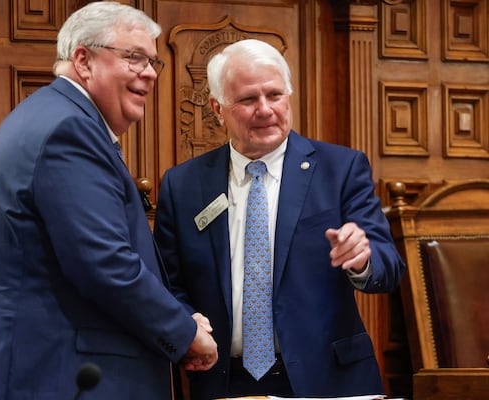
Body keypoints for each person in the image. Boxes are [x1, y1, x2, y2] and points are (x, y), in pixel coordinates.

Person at [0, 2, 217, 399]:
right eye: (135, 57)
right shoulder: (68, 131)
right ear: (83, 60)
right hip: (54, 374)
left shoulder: (48, 116)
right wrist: (185, 332)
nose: (150, 73)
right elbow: (104, 263)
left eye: (154, 62)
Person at [153, 39, 405, 399]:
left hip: (329, 379)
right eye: (248, 100)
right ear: (217, 108)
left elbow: (389, 267)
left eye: (275, 95)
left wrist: (363, 259)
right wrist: (186, 323)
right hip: (225, 379)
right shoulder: (183, 184)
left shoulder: (340, 169)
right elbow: (168, 282)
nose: (265, 109)